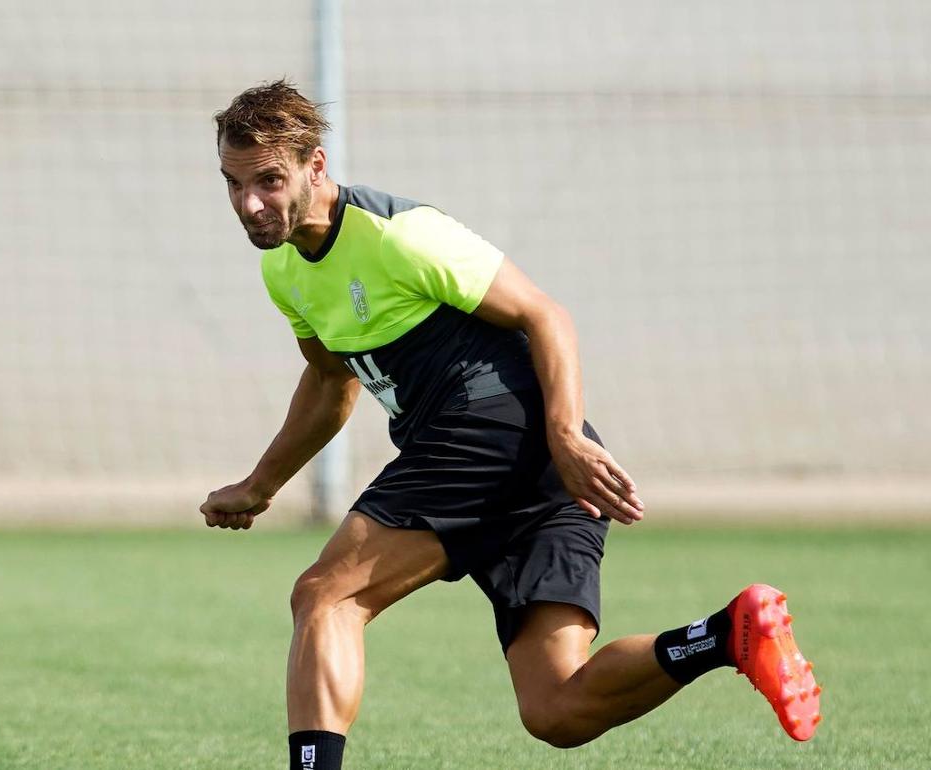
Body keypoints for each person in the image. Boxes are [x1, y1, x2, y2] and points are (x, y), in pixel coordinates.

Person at [200, 80, 820, 770]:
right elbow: (328, 380)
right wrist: (261, 484)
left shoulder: (400, 235)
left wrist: (565, 435)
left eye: (268, 180)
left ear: (316, 165)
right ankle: (726, 636)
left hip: (498, 430)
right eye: (233, 183)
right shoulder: (283, 271)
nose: (249, 203)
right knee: (558, 707)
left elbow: (545, 314)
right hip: (531, 462)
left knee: (326, 596)